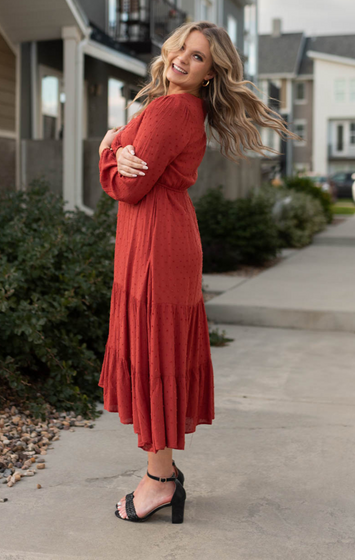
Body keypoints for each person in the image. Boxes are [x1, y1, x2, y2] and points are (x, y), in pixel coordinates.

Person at [98, 21, 301, 524]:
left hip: (156, 245)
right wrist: (120, 147)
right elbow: (133, 162)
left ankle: (160, 481)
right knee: (155, 352)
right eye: (182, 50)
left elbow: (128, 188)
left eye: (199, 58)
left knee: (153, 354)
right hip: (160, 237)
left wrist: (107, 147)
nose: (183, 61)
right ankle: (162, 471)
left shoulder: (171, 108)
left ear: (212, 73)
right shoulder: (175, 106)